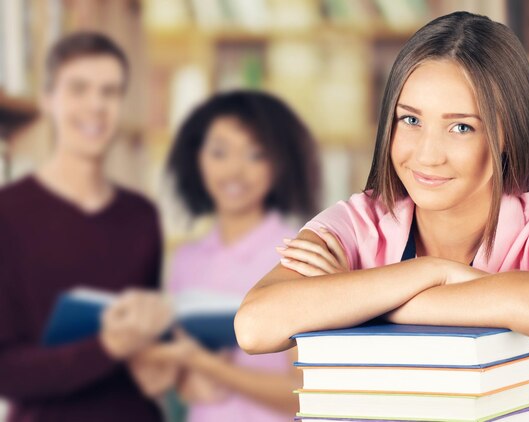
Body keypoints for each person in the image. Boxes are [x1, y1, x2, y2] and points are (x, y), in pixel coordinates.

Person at [234, 12, 529, 422]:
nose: (427, 155)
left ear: (507, 133)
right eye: (410, 120)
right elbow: (255, 326)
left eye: (461, 127)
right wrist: (433, 272)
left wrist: (353, 299)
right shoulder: (360, 221)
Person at [0, 32, 173, 421]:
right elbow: (5, 370)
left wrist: (161, 361)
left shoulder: (142, 215)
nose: (96, 105)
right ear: (48, 100)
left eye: (109, 92)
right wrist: (107, 347)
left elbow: (145, 350)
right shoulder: (7, 214)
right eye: (79, 89)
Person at [130, 91, 321, 421]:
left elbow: (307, 393)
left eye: (255, 154)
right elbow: (178, 382)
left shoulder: (298, 256)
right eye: (219, 152)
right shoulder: (186, 259)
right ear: (196, 158)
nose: (234, 171)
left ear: (279, 164)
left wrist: (209, 367)